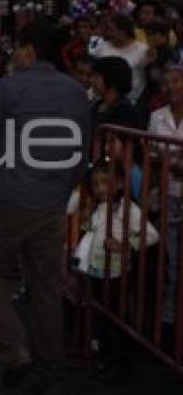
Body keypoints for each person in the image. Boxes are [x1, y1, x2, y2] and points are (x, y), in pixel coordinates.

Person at [0, 22, 90, 395]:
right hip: (50, 202)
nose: (15, 56)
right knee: (45, 288)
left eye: (19, 49)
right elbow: (81, 153)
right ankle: (51, 372)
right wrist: (63, 189)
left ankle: (17, 352)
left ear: (30, 50)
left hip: (7, 199)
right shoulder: (76, 92)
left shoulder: (8, 88)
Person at [71, 161, 159, 382]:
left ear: (120, 183)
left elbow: (152, 235)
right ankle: (105, 358)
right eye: (96, 184)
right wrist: (86, 216)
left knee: (117, 320)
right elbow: (88, 231)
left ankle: (121, 364)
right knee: (101, 317)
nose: (100, 188)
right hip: (97, 271)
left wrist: (125, 245)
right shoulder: (98, 206)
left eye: (105, 183)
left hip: (118, 273)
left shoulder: (127, 208)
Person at [147, 65, 183, 337]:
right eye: (167, 83)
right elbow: (152, 156)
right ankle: (167, 322)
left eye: (176, 81)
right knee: (169, 260)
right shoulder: (156, 117)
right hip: (168, 192)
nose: (171, 87)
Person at [88, 13, 149, 104]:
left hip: (131, 100)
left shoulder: (142, 50)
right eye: (108, 30)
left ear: (124, 31)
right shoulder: (101, 46)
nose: (109, 33)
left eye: (112, 30)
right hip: (102, 99)